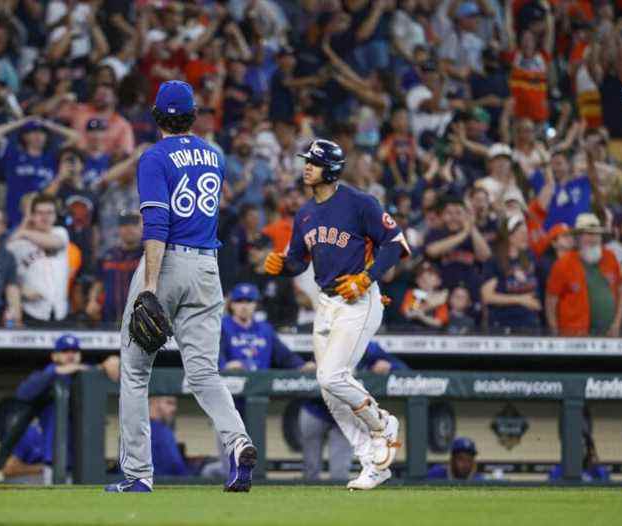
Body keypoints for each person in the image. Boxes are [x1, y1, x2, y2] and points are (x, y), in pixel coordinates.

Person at [107, 81, 255, 494]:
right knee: (205, 372)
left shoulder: (154, 157)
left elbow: (156, 224)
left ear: (156, 117)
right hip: (208, 266)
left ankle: (138, 474)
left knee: (135, 372)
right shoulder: (214, 155)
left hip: (167, 260)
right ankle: (238, 441)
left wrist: (150, 286)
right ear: (193, 116)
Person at [264, 138, 411, 490]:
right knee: (328, 389)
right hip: (327, 303)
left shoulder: (359, 203)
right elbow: (300, 260)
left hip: (358, 299)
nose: (306, 167)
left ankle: (382, 425)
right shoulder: (305, 213)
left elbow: (397, 245)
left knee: (331, 376)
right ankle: (373, 463)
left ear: (330, 169)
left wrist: (366, 278)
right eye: (306, 161)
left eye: (313, 162)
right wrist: (283, 266)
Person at [15, 334, 119, 484]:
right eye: (65, 351)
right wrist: (56, 371)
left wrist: (110, 362)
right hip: (56, 461)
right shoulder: (46, 377)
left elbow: (109, 368)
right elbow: (23, 394)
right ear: (54, 356)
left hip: (85, 462)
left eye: (74, 351)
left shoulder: (85, 375)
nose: (70, 355)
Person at [300, 341, 409, 482]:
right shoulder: (330, 342)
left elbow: (404, 369)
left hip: (346, 415)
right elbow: (299, 365)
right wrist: (305, 367)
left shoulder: (369, 348)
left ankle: (337, 501)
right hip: (316, 409)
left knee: (339, 472)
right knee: (310, 469)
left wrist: (390, 366)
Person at [546, 213, 622, 336]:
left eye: (597, 234)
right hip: (574, 338)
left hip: (608, 337)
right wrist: (555, 334)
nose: (594, 238)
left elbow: (621, 292)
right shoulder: (563, 264)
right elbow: (551, 301)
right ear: (578, 237)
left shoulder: (610, 257)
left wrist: (617, 323)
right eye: (589, 234)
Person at [7, 194, 70, 327]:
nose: (45, 217)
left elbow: (53, 243)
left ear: (55, 216)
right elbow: (2, 270)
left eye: (49, 213)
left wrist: (24, 232)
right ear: (32, 215)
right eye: (40, 213)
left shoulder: (60, 233)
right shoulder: (18, 244)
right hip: (32, 312)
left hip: (60, 312)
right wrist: (20, 289)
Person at [481, 215, 542, 334]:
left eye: (526, 233)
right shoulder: (494, 261)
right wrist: (520, 300)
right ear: (509, 236)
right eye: (521, 233)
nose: (526, 237)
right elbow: (487, 296)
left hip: (530, 324)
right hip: (504, 325)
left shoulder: (529, 257)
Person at [86, 212, 143, 326]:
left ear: (141, 228)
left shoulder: (147, 255)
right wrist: (92, 301)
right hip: (109, 319)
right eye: (125, 225)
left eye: (133, 225)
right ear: (119, 229)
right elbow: (98, 283)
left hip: (140, 320)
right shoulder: (108, 255)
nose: (129, 229)